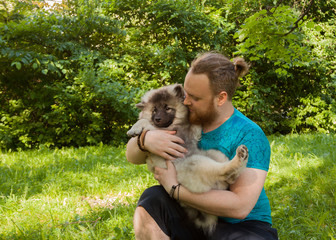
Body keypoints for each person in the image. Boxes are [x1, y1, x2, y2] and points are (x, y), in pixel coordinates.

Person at [126, 52, 278, 240]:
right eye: (186, 93)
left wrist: (175, 188)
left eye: (195, 97)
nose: (186, 101)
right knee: (152, 199)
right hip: (194, 216)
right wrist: (145, 140)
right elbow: (132, 156)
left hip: (244, 228)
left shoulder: (249, 134)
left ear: (220, 98)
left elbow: (240, 206)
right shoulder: (181, 116)